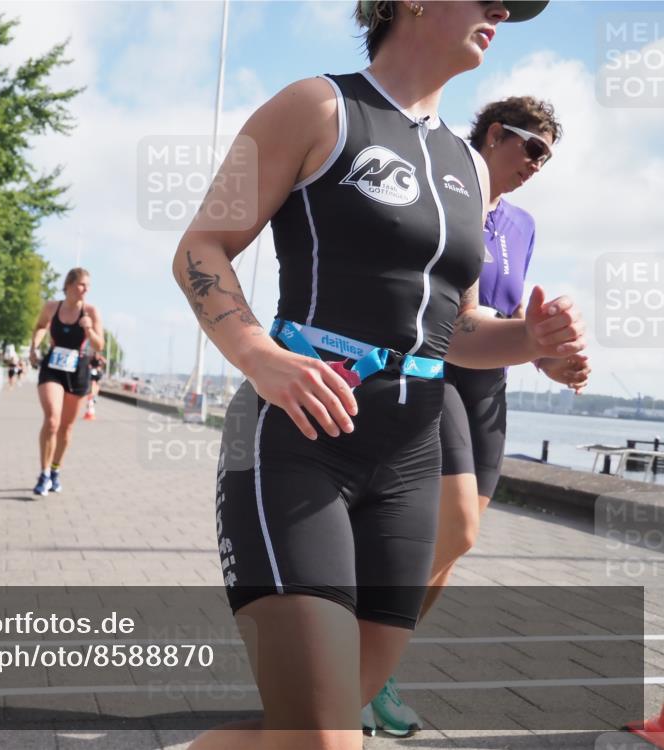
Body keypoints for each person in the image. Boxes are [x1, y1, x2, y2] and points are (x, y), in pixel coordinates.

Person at [170, 2, 585, 748]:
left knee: (311, 732)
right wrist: (260, 355)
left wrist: (533, 339)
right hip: (299, 442)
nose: (500, 10)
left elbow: (455, 331)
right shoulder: (316, 106)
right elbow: (201, 245)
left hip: (408, 461)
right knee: (325, 738)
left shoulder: (466, 166)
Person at [366, 96, 591, 735]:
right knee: (456, 528)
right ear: (496, 135)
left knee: (447, 553)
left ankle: (376, 666)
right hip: (432, 374)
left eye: (549, 156)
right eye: (534, 149)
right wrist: (533, 335)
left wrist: (554, 360)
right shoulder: (446, 193)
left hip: (488, 392)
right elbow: (460, 317)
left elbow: (512, 326)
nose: (540, 165)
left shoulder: (521, 224)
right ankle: (354, 655)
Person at [29, 268, 104, 496]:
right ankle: (43, 474)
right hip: (52, 367)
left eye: (88, 286)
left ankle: (55, 470)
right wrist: (34, 346)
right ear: (69, 284)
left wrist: (89, 329)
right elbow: (41, 326)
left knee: (66, 427)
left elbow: (99, 345)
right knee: (52, 420)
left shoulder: (90, 311)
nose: (85, 290)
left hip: (77, 371)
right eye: (82, 285)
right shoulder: (52, 307)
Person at [84, 351, 106, 420]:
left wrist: (102, 361)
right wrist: (90, 366)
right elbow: (88, 364)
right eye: (95, 354)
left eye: (97, 354)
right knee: (91, 383)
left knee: (97, 384)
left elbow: (105, 362)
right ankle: (91, 395)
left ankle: (95, 395)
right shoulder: (91, 358)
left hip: (98, 374)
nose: (96, 355)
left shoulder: (100, 359)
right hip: (92, 373)